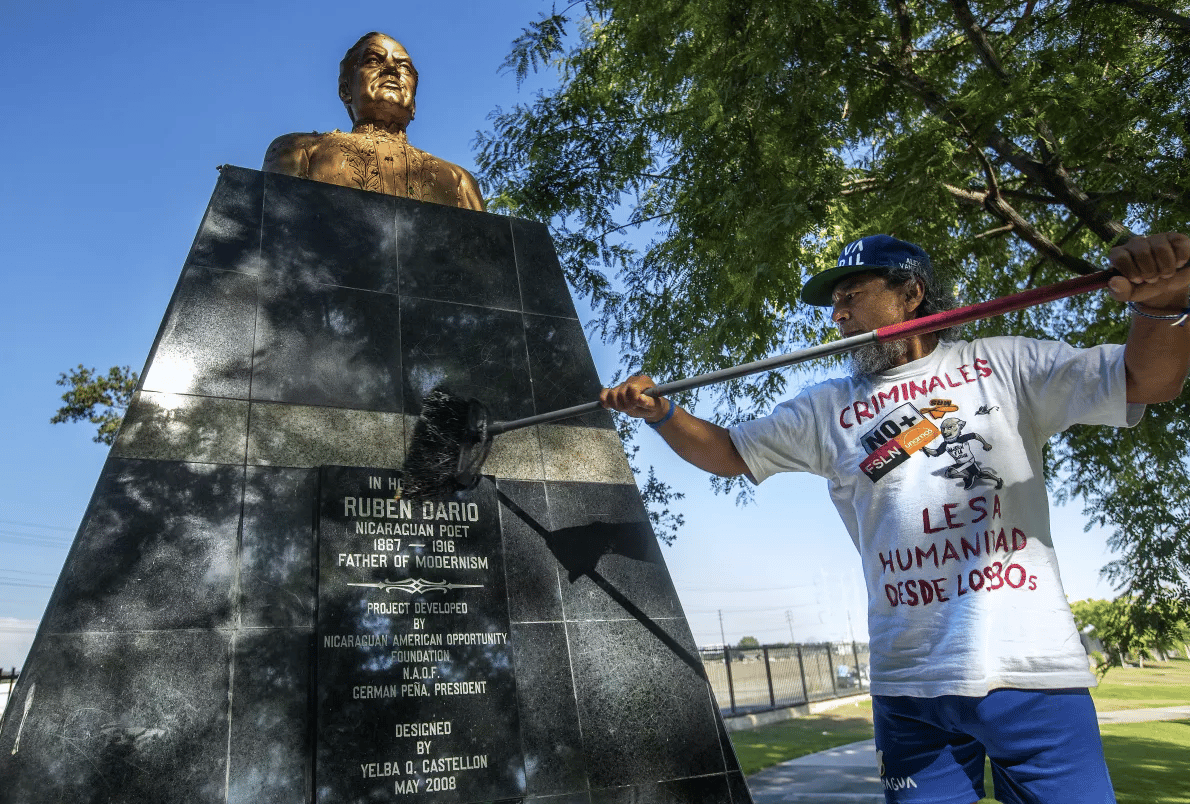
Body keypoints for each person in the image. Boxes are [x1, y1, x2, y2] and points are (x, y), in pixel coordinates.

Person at [600, 232, 1190, 804]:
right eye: (833, 304)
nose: (838, 315)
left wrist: (1161, 304)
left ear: (911, 293)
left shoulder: (1004, 364)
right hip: (907, 682)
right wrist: (663, 412)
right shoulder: (825, 406)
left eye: (851, 295)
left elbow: (1146, 380)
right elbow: (727, 452)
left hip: (1031, 671)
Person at [263, 32, 484, 211]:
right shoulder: (299, 151)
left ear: (414, 102)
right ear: (345, 90)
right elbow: (270, 233)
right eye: (373, 60)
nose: (391, 70)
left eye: (404, 67)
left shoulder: (458, 181)